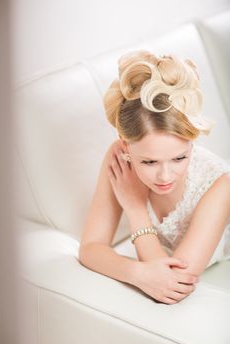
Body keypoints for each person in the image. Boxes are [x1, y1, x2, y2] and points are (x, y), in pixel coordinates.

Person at [78, 50, 230, 305]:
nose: (165, 175)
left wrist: (135, 209)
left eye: (180, 158)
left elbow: (174, 284)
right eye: (148, 162)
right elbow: (90, 248)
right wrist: (136, 272)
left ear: (192, 142)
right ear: (125, 145)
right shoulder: (119, 158)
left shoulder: (221, 185)